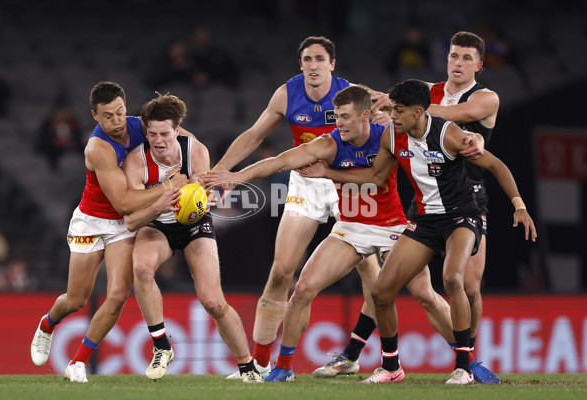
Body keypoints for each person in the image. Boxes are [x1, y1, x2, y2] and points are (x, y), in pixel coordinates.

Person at [203, 84, 476, 382]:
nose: (338, 123)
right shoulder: (329, 144)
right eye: (336, 116)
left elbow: (431, 128)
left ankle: (469, 361)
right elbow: (280, 161)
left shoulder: (389, 135)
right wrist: (237, 176)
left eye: (346, 117)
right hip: (351, 228)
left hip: (393, 227)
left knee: (424, 294)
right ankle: (283, 368)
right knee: (303, 288)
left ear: (366, 116)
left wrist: (472, 139)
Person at [301, 79, 537, 384]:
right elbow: (375, 175)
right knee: (381, 293)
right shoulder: (391, 136)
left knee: (453, 279)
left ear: (418, 111)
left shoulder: (448, 133)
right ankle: (391, 368)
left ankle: (463, 366)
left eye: (397, 110)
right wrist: (329, 173)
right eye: (391, 109)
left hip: (461, 217)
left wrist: (518, 205)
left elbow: (496, 166)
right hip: (424, 221)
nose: (391, 115)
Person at [210, 36, 392, 379]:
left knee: (370, 271)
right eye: (307, 59)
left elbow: (383, 119)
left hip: (346, 184)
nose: (313, 65)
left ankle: (378, 358)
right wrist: (224, 171)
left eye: (320, 59)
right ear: (300, 64)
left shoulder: (349, 92)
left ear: (332, 64)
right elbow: (254, 136)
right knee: (281, 272)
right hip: (305, 184)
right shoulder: (286, 94)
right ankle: (261, 365)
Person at [30, 82, 188, 383]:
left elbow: (183, 136)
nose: (116, 122)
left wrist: (197, 165)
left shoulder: (142, 126)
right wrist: (169, 185)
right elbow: (124, 201)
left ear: (125, 107)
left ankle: (77, 363)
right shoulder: (98, 147)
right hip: (91, 221)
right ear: (94, 116)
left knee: (117, 294)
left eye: (119, 112)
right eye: (107, 116)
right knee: (76, 299)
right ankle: (48, 324)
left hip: (123, 225)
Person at [121, 93, 262, 383]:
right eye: (151, 134)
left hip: (193, 224)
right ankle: (161, 346)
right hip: (155, 221)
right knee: (142, 268)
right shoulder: (136, 162)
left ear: (177, 131)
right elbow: (131, 219)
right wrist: (160, 203)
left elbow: (207, 192)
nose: (158, 141)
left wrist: (207, 197)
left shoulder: (195, 150)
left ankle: (248, 367)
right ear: (144, 132)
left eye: (164, 134)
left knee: (213, 302)